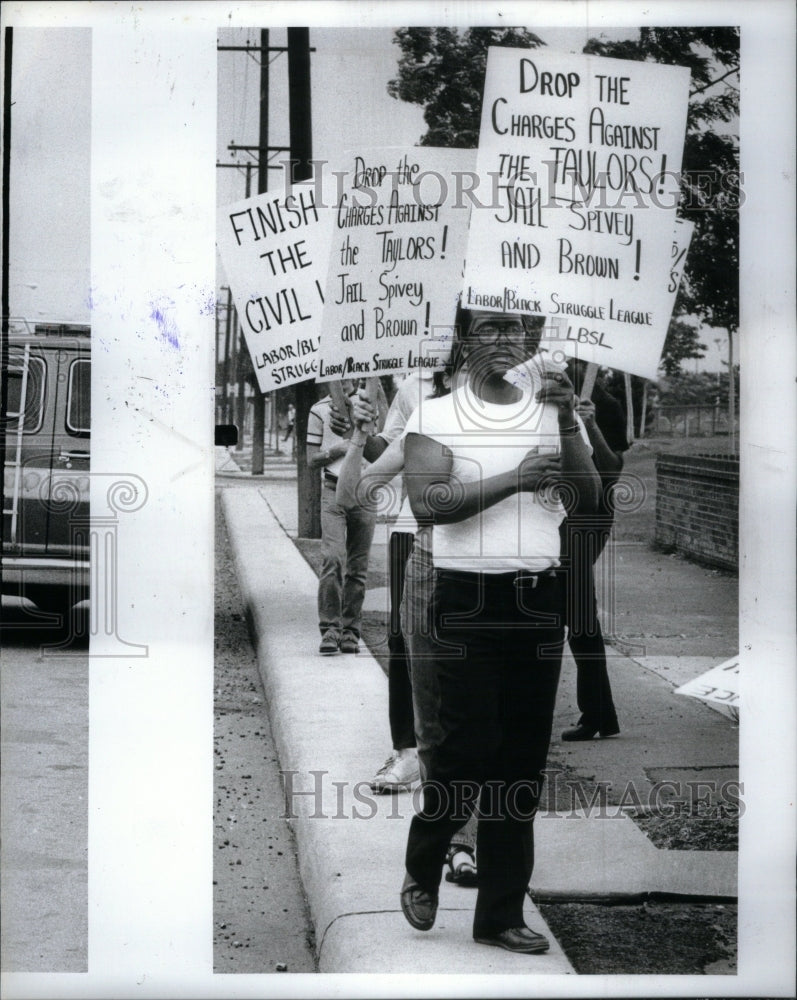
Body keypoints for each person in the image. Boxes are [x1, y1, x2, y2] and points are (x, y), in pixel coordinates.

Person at [399, 310, 600, 954]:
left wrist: (568, 420)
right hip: (463, 600)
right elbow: (429, 503)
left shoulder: (552, 410)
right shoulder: (436, 415)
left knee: (520, 761)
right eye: (488, 327)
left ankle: (500, 914)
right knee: (464, 749)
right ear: (465, 340)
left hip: (537, 601)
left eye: (517, 328)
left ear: (534, 341)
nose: (504, 339)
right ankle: (424, 860)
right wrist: (514, 479)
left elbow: (589, 498)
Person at [335, 370, 439, 792]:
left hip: (472, 544)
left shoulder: (516, 390)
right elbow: (387, 450)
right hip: (410, 532)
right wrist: (362, 429)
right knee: (402, 641)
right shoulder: (416, 387)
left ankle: (454, 759)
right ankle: (408, 752)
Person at [559, 362, 630, 741]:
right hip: (554, 512)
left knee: (576, 605)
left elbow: (612, 470)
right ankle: (601, 714)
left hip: (589, 516)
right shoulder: (541, 399)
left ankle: (597, 713)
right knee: (575, 610)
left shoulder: (605, 404)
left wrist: (592, 424)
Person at [306, 381, 380, 656]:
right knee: (333, 558)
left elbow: (381, 449)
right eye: (340, 371)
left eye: (353, 370)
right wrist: (339, 448)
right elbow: (311, 459)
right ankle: (329, 629)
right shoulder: (319, 410)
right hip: (333, 490)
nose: (347, 377)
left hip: (365, 491)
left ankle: (350, 631)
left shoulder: (371, 406)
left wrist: (364, 428)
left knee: (358, 566)